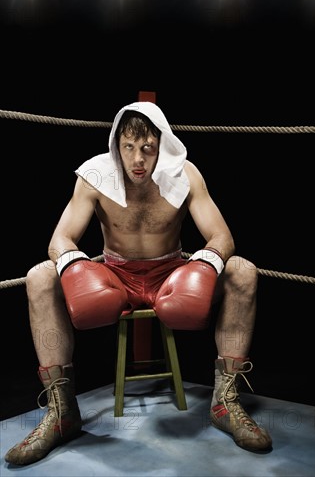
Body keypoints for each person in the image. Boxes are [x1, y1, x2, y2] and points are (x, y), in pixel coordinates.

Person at [5, 101, 272, 466]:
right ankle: (61, 413)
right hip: (115, 274)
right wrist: (76, 268)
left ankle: (226, 403)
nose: (138, 159)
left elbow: (221, 237)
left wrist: (205, 266)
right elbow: (60, 239)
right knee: (39, 275)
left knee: (242, 270)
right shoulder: (95, 175)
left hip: (170, 273)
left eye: (147, 148)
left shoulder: (185, 174)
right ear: (117, 143)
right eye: (128, 147)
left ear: (161, 145)